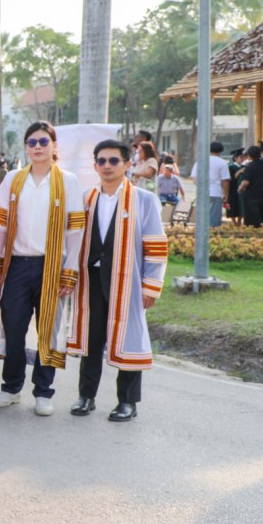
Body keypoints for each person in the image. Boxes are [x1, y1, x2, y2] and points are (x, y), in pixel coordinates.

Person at [0, 121, 86, 417]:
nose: (38, 147)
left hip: (51, 265)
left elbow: (75, 233)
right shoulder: (14, 179)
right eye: (32, 142)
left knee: (48, 331)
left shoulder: (68, 181)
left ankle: (44, 392)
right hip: (16, 265)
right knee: (14, 329)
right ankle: (11, 388)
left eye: (44, 141)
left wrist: (69, 272)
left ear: (54, 145)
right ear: (26, 147)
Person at [68, 140, 168, 422]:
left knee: (130, 337)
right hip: (92, 278)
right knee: (91, 336)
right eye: (102, 161)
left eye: (114, 161)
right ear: (95, 165)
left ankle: (127, 401)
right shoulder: (86, 199)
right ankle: (86, 396)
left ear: (127, 165)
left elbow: (156, 246)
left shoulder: (144, 200)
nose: (107, 166)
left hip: (128, 281)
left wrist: (151, 286)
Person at [237, 145, 263, 228]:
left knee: (252, 217)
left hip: (251, 195)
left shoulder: (249, 167)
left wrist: (240, 189)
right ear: (260, 154)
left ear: (249, 155)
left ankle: (253, 233)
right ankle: (262, 232)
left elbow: (246, 182)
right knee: (262, 215)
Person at [156, 159, 183, 227]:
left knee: (178, 203)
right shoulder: (160, 178)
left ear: (171, 171)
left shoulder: (176, 179)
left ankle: (175, 216)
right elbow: (156, 187)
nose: (166, 172)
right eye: (166, 170)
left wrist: (183, 197)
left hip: (172, 195)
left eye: (168, 171)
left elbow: (181, 188)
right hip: (163, 194)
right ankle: (163, 216)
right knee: (162, 202)